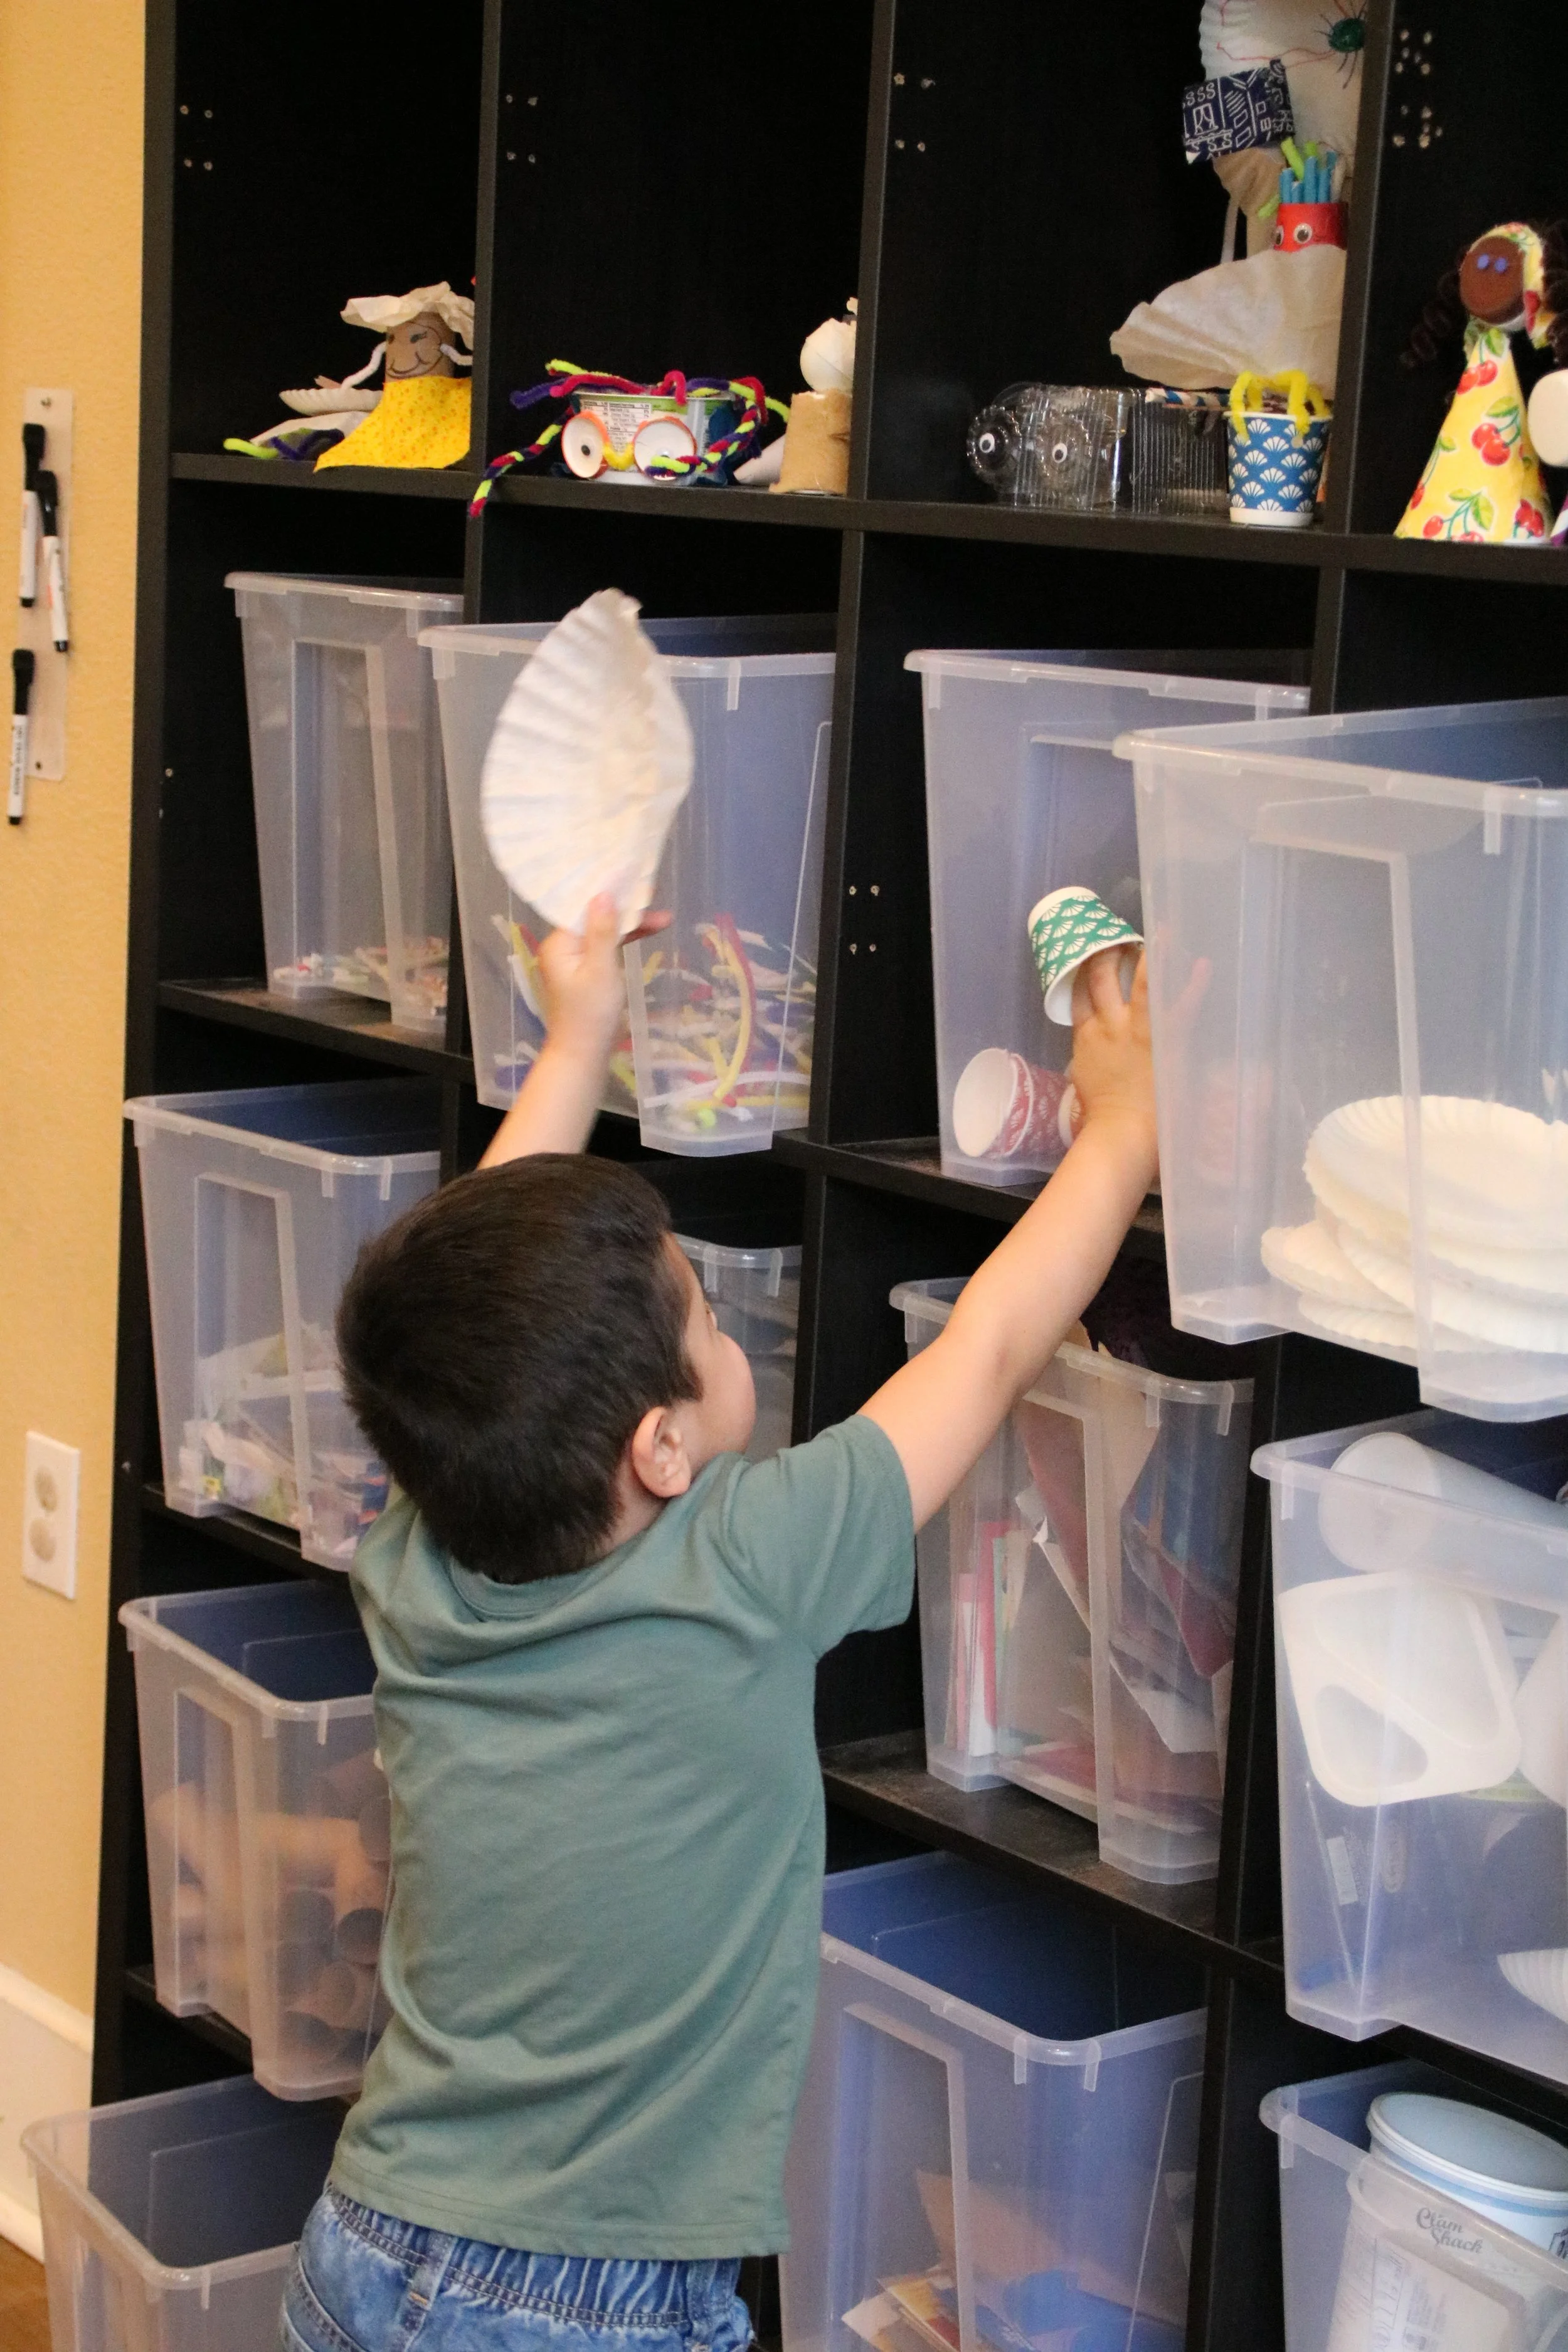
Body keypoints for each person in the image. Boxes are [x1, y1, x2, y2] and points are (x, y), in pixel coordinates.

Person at [279, 893, 1160, 2352]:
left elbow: (461, 1330)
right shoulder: (746, 1561)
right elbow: (991, 1344)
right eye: (703, 1317)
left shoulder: (415, 1558)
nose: (719, 1326)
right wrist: (1120, 1134)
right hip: (590, 2313)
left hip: (364, 2247)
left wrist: (579, 1042)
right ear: (661, 1452)